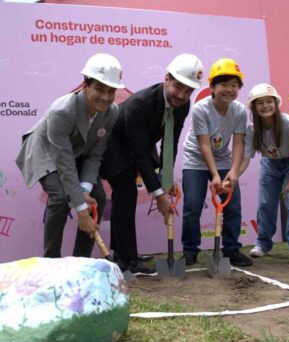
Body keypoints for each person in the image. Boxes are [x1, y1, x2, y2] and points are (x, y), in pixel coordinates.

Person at [100, 53, 204, 274]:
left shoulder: (183, 105)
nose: (182, 95)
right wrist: (159, 194)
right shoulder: (140, 103)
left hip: (140, 146)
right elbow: (139, 153)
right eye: (178, 87)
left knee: (125, 196)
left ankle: (123, 253)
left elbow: (170, 143)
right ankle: (127, 260)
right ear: (167, 78)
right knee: (126, 191)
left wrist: (166, 180)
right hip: (115, 146)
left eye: (188, 91)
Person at [16, 53, 125, 258]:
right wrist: (81, 210)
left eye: (111, 91)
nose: (105, 97)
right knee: (59, 196)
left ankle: (80, 261)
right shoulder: (62, 111)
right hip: (46, 150)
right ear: (85, 86)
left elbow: (95, 155)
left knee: (98, 197)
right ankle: (51, 262)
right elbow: (64, 162)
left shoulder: (112, 112)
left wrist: (85, 191)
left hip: (77, 151)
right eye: (99, 89)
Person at [181, 57, 253, 267]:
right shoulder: (200, 109)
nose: (229, 89)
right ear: (212, 86)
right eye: (224, 84)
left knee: (233, 206)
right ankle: (190, 250)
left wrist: (234, 172)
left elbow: (238, 143)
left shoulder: (239, 111)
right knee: (192, 206)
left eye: (234, 85)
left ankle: (231, 249)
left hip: (223, 159)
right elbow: (204, 145)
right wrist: (214, 175)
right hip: (196, 159)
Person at [239, 83, 289, 268]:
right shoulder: (253, 129)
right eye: (260, 103)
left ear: (276, 103)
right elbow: (246, 158)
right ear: (253, 107)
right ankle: (263, 243)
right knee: (265, 203)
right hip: (270, 164)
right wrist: (234, 176)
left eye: (269, 101)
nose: (265, 106)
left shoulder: (288, 123)